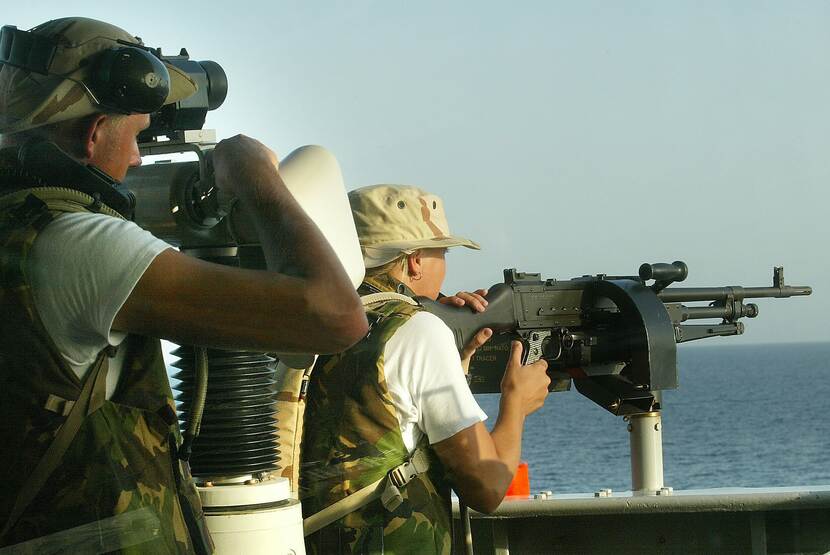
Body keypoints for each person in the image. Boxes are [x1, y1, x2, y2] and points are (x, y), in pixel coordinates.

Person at [0, 17, 367, 552]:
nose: (137, 159)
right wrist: (254, 177)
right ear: (94, 132)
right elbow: (334, 317)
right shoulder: (76, 245)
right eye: (134, 137)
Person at [300, 184, 551, 554]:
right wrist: (516, 403)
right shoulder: (416, 331)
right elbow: (487, 487)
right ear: (415, 259)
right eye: (442, 253)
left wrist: (454, 358)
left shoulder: (311, 320)